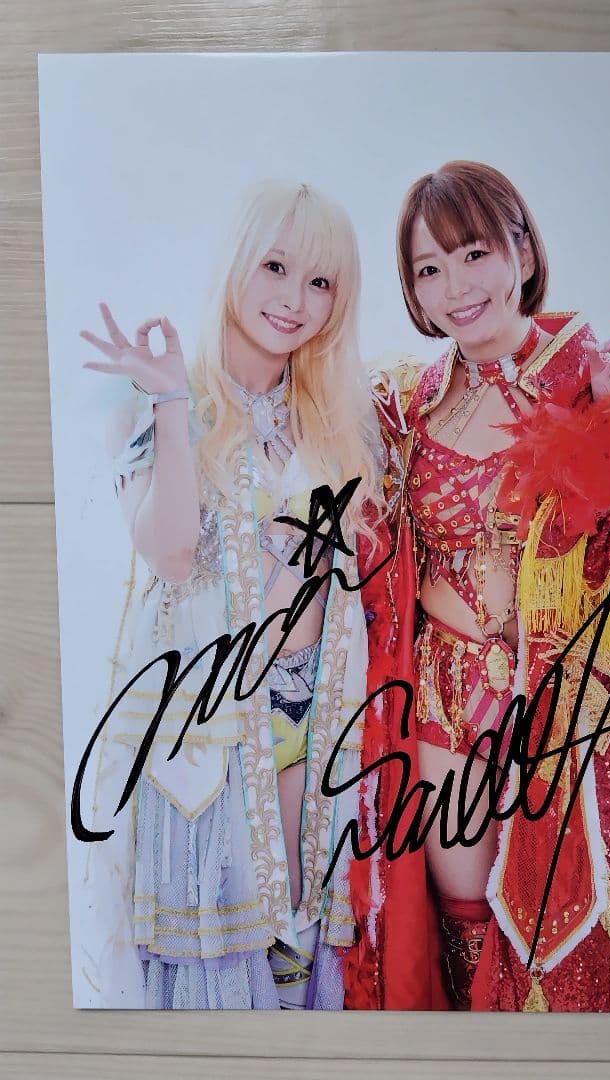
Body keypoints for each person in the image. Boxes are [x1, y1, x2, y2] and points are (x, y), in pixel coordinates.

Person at [346, 160, 610, 1012]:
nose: (455, 287)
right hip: (442, 697)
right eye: (428, 269)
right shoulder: (406, 402)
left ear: (522, 249)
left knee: (559, 941)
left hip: (564, 709)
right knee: (457, 922)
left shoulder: (600, 378)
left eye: (473, 253)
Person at [80, 179, 390, 1009]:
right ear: (235, 263)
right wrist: (172, 402)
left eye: (320, 282)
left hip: (317, 722)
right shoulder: (153, 396)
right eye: (275, 267)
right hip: (209, 741)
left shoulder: (339, 418)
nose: (294, 300)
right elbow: (172, 553)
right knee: (225, 965)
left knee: (298, 949)